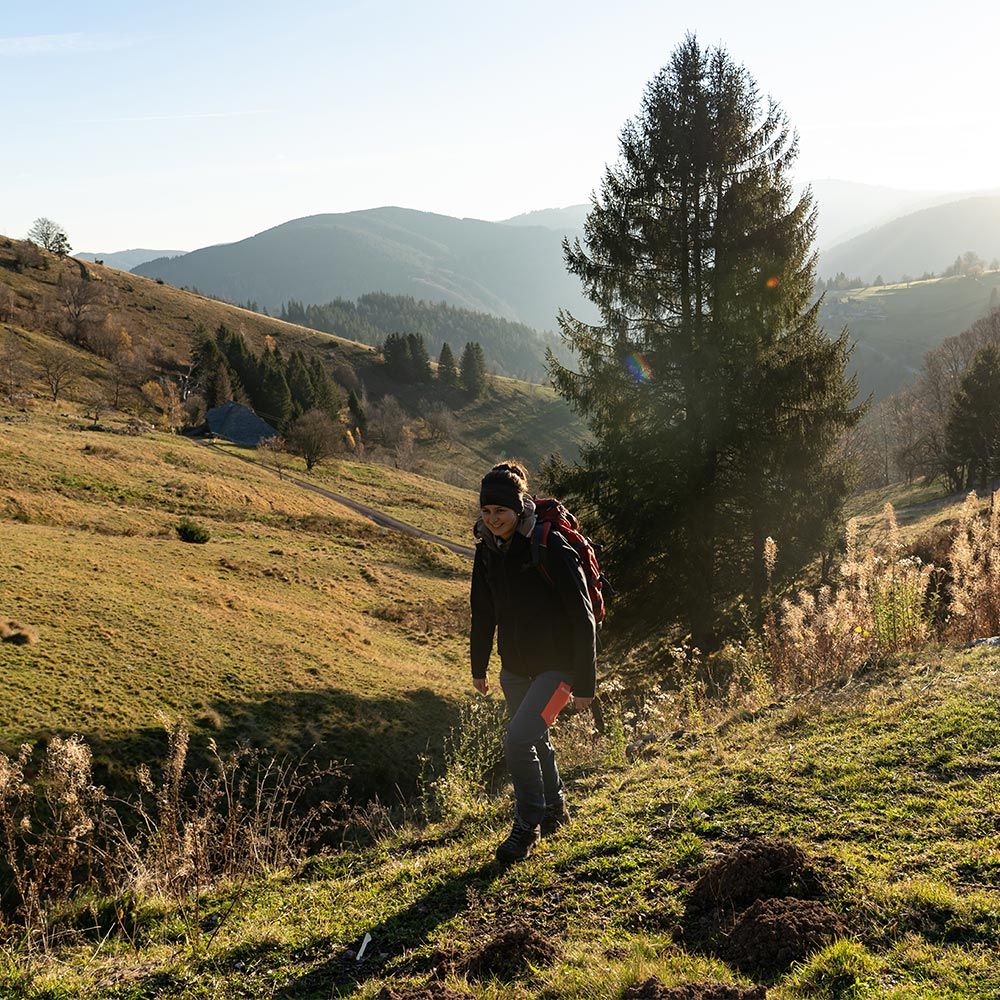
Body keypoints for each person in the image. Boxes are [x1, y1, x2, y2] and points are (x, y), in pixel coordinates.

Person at [470, 461, 597, 863]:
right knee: (534, 738)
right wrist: (478, 667)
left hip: (558, 668)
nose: (493, 520)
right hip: (514, 669)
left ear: (519, 506)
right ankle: (555, 808)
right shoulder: (486, 549)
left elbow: (583, 616)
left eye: (501, 511)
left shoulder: (549, 545)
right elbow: (482, 612)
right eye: (486, 511)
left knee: (518, 739)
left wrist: (586, 682)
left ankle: (527, 826)